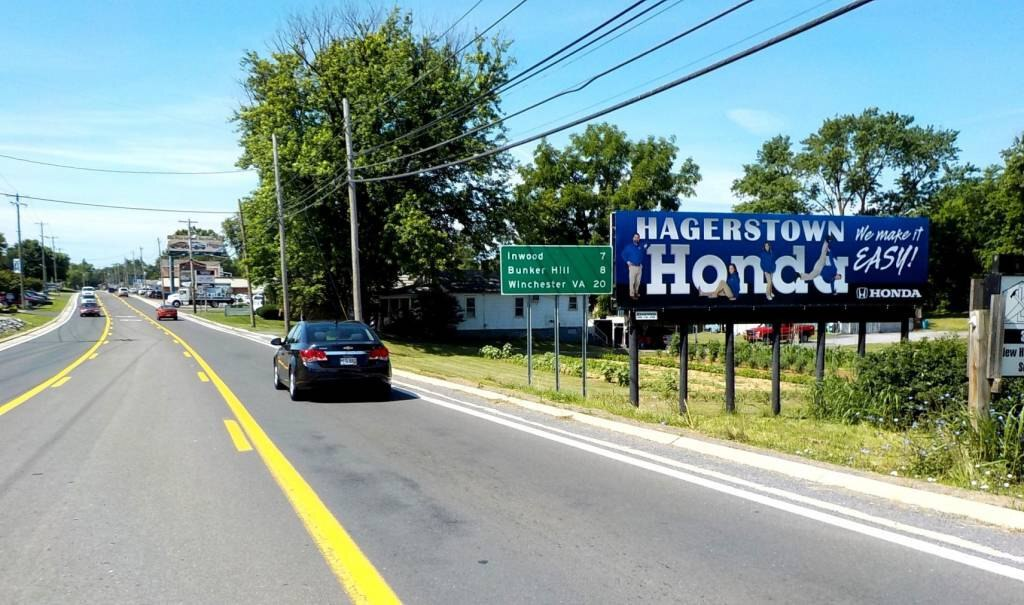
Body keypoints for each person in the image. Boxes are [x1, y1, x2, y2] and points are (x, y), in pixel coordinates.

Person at [620, 232, 649, 300]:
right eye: (635, 237)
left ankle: (636, 292)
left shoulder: (640, 247)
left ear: (639, 239)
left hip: (639, 267)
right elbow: (623, 254)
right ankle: (632, 294)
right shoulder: (629, 247)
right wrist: (627, 261)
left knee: (638, 282)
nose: (636, 238)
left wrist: (645, 246)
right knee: (632, 281)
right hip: (632, 267)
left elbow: (648, 244)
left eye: (637, 237)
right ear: (632, 238)